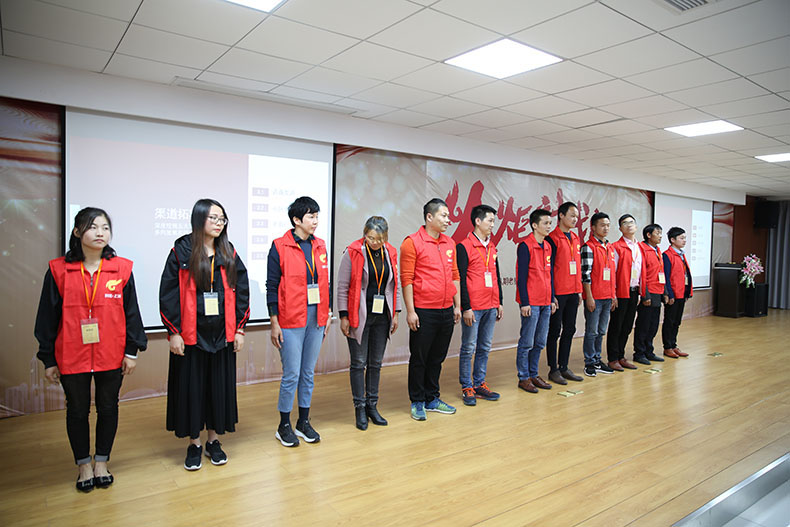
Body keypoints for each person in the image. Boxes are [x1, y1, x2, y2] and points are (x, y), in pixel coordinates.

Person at [35, 207, 147, 492]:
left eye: (105, 228)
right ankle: (83, 464)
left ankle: (101, 462)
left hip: (112, 353)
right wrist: (48, 359)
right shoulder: (58, 270)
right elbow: (47, 318)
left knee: (108, 408)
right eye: (93, 227)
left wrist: (131, 351)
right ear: (77, 232)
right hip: (72, 354)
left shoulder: (122, 269)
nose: (100, 233)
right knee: (77, 410)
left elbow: (132, 313)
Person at [159, 199, 249, 470]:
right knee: (193, 390)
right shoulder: (181, 251)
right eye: (213, 218)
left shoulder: (229, 252)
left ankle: (213, 440)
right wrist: (174, 332)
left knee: (217, 390)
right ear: (199, 219)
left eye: (222, 219)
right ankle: (194, 443)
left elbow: (242, 291)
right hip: (191, 336)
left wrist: (240, 329)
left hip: (222, 335)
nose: (219, 223)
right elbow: (168, 293)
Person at [267, 196, 330, 446]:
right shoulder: (279, 246)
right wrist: (274, 322)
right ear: (296, 220)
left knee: (308, 373)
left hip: (316, 318)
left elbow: (323, 282)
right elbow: (272, 286)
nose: (315, 221)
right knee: (291, 374)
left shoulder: (320, 245)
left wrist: (326, 315)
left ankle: (303, 421)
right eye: (310, 217)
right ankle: (283, 425)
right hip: (290, 318)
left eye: (317, 216)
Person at [400, 198, 461, 421]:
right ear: (429, 217)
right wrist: (411, 311)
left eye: (448, 216)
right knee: (420, 358)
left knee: (437, 358)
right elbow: (406, 279)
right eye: (443, 215)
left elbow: (455, 275)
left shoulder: (449, 243)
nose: (448, 220)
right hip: (424, 311)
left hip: (446, 309)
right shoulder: (412, 243)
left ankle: (432, 398)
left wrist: (457, 305)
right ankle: (417, 400)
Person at [337, 216, 400, 430]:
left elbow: (394, 284)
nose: (375, 242)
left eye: (379, 239)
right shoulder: (353, 252)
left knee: (375, 363)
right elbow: (342, 287)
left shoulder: (390, 252)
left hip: (382, 316)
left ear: (386, 237)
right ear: (365, 234)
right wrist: (344, 316)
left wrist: (396, 312)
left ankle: (372, 406)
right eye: (371, 238)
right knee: (358, 363)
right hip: (359, 315)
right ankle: (360, 407)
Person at [456, 204, 503, 406]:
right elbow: (460, 279)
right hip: (473, 308)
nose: (493, 224)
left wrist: (499, 301)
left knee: (484, 347)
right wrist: (465, 307)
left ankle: (479, 383)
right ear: (477, 221)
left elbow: (496, 275)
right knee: (469, 348)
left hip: (491, 305)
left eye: (493, 221)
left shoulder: (492, 247)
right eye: (490, 220)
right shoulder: (464, 246)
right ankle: (467, 386)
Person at [516, 209, 557, 393]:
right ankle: (523, 377)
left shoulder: (548, 246)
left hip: (546, 301)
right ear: (534, 225)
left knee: (540, 341)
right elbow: (521, 277)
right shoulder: (525, 246)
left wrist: (552, 297)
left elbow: (550, 275)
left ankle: (534, 374)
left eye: (550, 223)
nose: (549, 226)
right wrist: (524, 302)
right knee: (527, 342)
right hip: (531, 302)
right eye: (545, 223)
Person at [545, 201, 584, 385]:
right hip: (558, 292)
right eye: (572, 215)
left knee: (570, 329)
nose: (575, 219)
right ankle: (553, 369)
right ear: (561, 215)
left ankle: (564, 367)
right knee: (554, 330)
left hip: (573, 291)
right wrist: (551, 294)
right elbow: (549, 269)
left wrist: (579, 291)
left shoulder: (575, 238)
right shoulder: (552, 239)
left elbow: (577, 267)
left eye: (577, 216)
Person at [581, 212, 617, 377]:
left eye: (608, 225)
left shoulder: (609, 247)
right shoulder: (588, 247)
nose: (606, 228)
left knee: (602, 331)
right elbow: (585, 275)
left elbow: (612, 274)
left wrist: (613, 295)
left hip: (607, 296)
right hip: (594, 297)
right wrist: (589, 297)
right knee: (592, 331)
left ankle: (597, 359)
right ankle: (589, 362)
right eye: (602, 225)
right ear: (593, 227)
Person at [607, 214, 642, 371]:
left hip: (634, 291)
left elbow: (641, 271)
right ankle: (613, 358)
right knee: (617, 325)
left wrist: (640, 292)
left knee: (628, 325)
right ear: (620, 228)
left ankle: (621, 356)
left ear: (636, 226)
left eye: (631, 222)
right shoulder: (616, 246)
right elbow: (612, 272)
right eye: (625, 223)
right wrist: (613, 294)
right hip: (621, 291)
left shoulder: (639, 247)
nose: (629, 225)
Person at [633, 224, 666, 365]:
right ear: (648, 235)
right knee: (643, 325)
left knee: (653, 325)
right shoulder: (641, 249)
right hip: (648, 292)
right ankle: (639, 353)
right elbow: (641, 274)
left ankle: (649, 351)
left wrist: (665, 292)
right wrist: (645, 295)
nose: (660, 236)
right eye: (657, 233)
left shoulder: (657, 250)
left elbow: (661, 273)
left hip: (658, 291)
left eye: (661, 233)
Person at [661, 227, 692, 359]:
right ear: (672, 240)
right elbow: (666, 277)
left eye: (685, 238)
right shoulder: (667, 255)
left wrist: (688, 291)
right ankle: (667, 347)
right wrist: (669, 294)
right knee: (670, 321)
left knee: (677, 321)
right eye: (681, 238)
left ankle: (674, 345)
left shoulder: (681, 254)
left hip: (682, 293)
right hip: (673, 294)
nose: (684, 240)